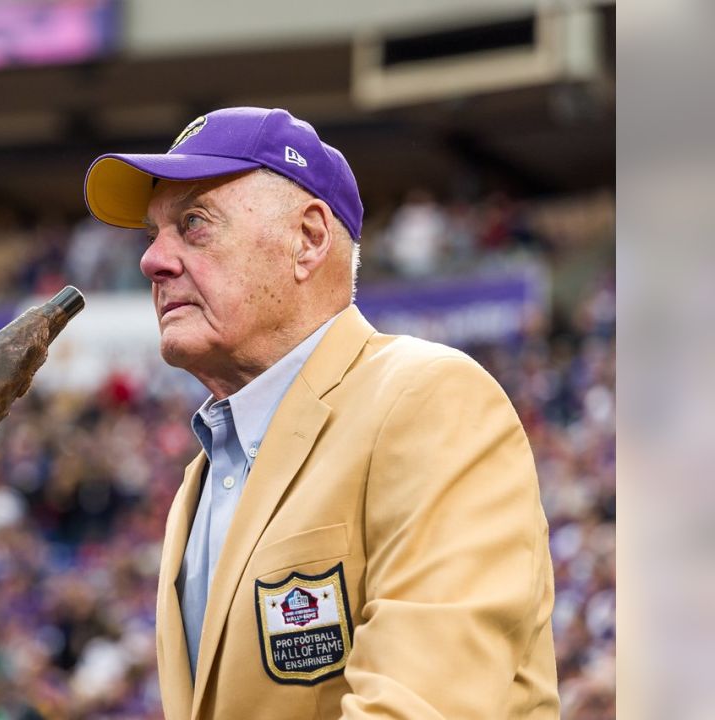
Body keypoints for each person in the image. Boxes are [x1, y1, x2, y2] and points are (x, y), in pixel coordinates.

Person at [82, 107, 558, 719]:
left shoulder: (429, 399)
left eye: (193, 224)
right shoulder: (201, 477)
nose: (153, 260)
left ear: (308, 240)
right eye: (153, 233)